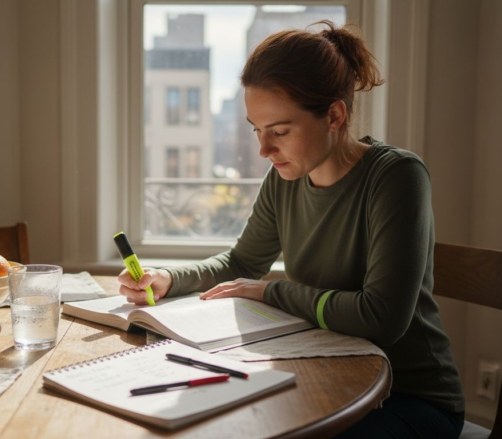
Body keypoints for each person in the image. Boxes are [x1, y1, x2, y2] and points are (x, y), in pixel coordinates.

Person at [118, 20, 465, 438]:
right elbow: (242, 261)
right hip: (323, 374)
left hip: (411, 398)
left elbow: (381, 317)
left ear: (335, 115)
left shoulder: (397, 177)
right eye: (257, 131)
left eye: (280, 131)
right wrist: (169, 278)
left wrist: (269, 290)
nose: (264, 150)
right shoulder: (284, 180)